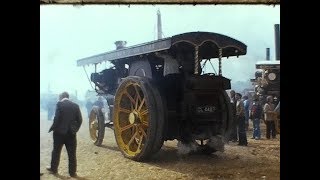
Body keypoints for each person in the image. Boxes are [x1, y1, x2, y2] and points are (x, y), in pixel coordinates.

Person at [46, 92, 83, 177]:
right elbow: (80, 120)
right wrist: (75, 130)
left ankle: (54, 169)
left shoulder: (59, 104)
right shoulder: (76, 106)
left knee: (56, 151)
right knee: (72, 153)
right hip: (71, 134)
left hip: (59, 133)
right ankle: (72, 172)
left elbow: (57, 118)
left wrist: (53, 128)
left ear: (61, 97)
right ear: (68, 97)